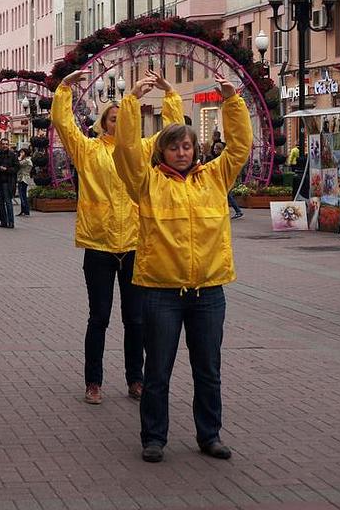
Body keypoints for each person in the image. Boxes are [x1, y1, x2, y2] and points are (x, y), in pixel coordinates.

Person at [113, 72, 252, 464]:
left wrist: (232, 102)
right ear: (162, 152)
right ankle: (154, 438)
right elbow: (124, 150)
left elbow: (240, 147)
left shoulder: (214, 177)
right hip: (160, 293)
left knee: (208, 370)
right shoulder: (146, 183)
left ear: (196, 148)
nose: (181, 152)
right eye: (173, 147)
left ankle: (210, 435)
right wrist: (130, 104)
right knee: (157, 371)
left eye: (187, 146)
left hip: (208, 291)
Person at [52, 68, 183, 407]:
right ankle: (93, 381)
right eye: (112, 118)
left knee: (136, 319)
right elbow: (64, 125)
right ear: (103, 123)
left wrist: (169, 95)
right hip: (99, 244)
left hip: (135, 245)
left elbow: (172, 132)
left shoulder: (142, 150)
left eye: (122, 117)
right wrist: (65, 88)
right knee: (99, 317)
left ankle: (135, 379)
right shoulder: (88, 150)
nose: (117, 122)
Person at [205, 141, 244, 219]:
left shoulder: (221, 158)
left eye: (216, 149)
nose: (214, 150)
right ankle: (235, 211)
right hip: (222, 178)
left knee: (227, 195)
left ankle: (237, 211)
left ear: (220, 150)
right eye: (214, 149)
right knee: (226, 195)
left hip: (224, 178)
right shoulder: (218, 157)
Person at [0, 138, 19, 228]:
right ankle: (3, 222)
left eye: (6, 144)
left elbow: (16, 168)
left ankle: (11, 222)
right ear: (0, 145)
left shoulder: (13, 155)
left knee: (8, 202)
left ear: (8, 145)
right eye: (3, 144)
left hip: (8, 182)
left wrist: (7, 169)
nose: (5, 146)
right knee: (0, 203)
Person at [17, 148, 33, 216]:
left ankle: (26, 210)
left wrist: (20, 157)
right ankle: (23, 210)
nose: (21, 153)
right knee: (22, 195)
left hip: (23, 179)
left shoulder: (26, 160)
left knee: (22, 195)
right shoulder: (28, 160)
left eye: (22, 152)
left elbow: (18, 163)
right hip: (23, 178)